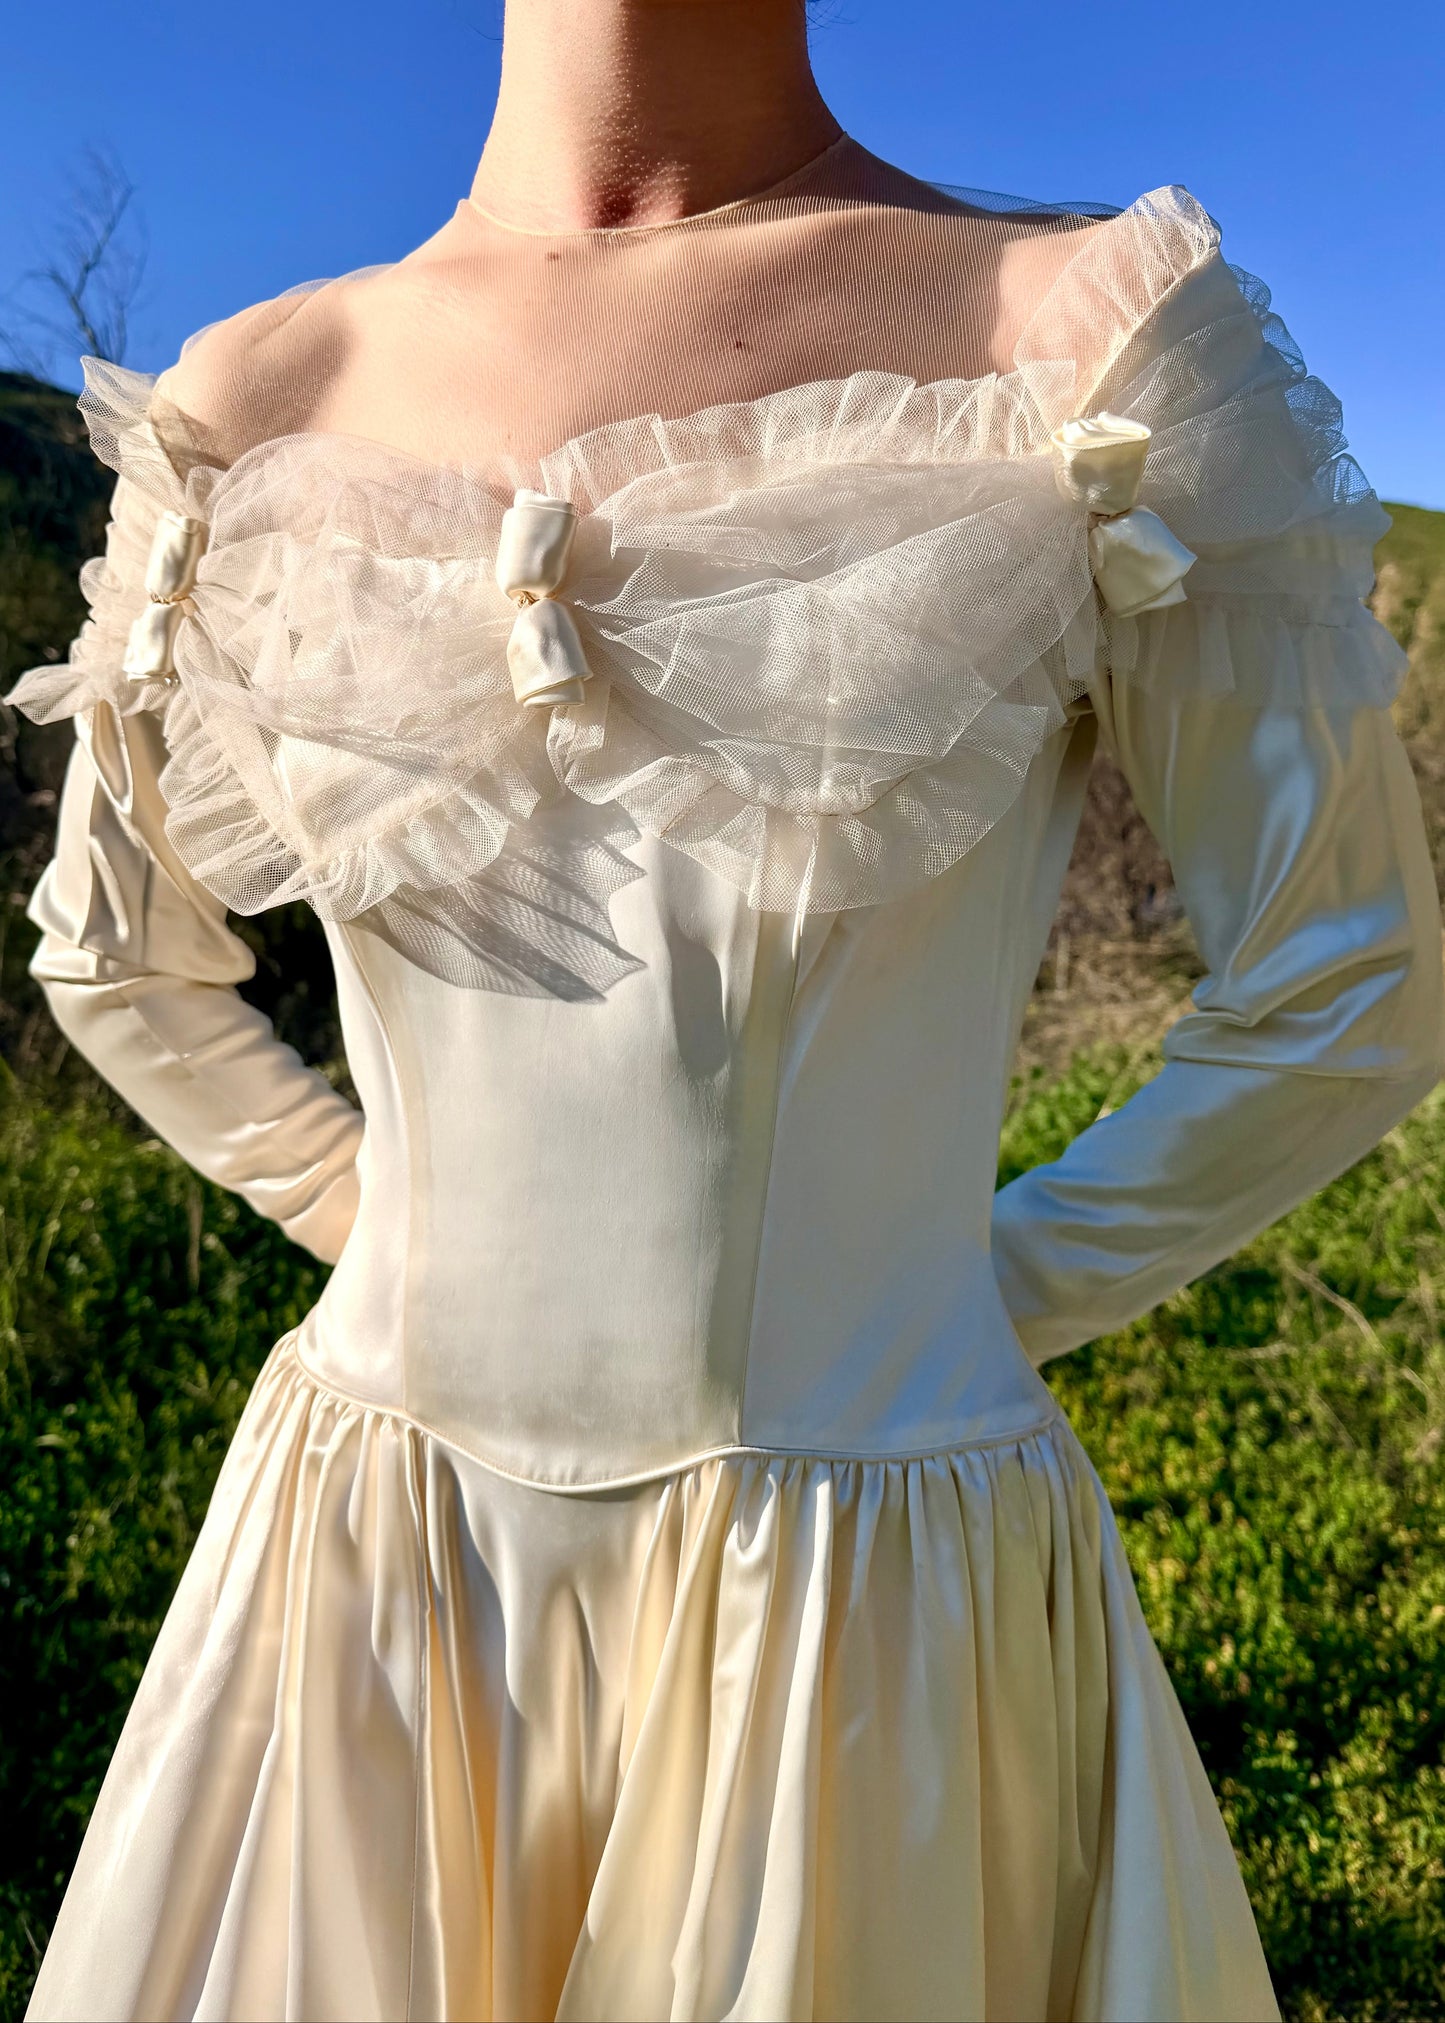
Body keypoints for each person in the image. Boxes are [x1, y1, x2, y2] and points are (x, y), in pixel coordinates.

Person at [9, 2, 1442, 2018]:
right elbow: (114, 959)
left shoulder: (1085, 345)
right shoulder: (246, 398)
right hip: (377, 1588)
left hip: (857, 1634)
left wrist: (962, 1297)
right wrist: (407, 1251)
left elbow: (1346, 980)